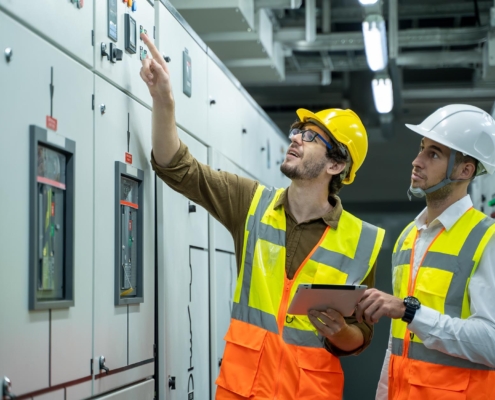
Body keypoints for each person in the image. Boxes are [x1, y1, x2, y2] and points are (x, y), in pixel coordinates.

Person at [139, 33, 384, 400]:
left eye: (312, 136)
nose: (296, 138)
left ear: (335, 164)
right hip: (244, 390)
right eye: (297, 131)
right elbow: (178, 168)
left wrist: (338, 332)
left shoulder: (363, 240)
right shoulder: (251, 203)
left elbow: (360, 338)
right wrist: (164, 101)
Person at [355, 104, 495, 400]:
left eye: (434, 154)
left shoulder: (488, 238)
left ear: (465, 170)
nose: (416, 161)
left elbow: (491, 344)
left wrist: (409, 311)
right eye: (421, 149)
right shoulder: (408, 236)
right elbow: (398, 343)